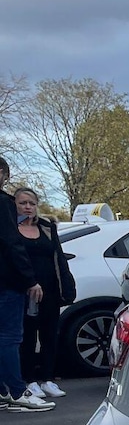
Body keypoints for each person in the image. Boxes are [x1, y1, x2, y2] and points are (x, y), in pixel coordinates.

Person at [0, 157, 53, 412]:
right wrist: (30, 279)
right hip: (7, 281)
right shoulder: (3, 203)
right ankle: (18, 391)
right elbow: (12, 243)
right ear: (4, 174)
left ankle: (2, 391)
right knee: (10, 337)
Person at [15, 187, 75, 398]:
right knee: (27, 337)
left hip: (50, 288)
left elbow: (57, 256)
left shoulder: (47, 227)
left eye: (31, 203)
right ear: (15, 205)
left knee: (50, 334)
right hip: (24, 291)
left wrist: (66, 286)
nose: (28, 207)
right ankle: (29, 380)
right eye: (23, 203)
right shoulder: (11, 229)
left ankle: (48, 379)